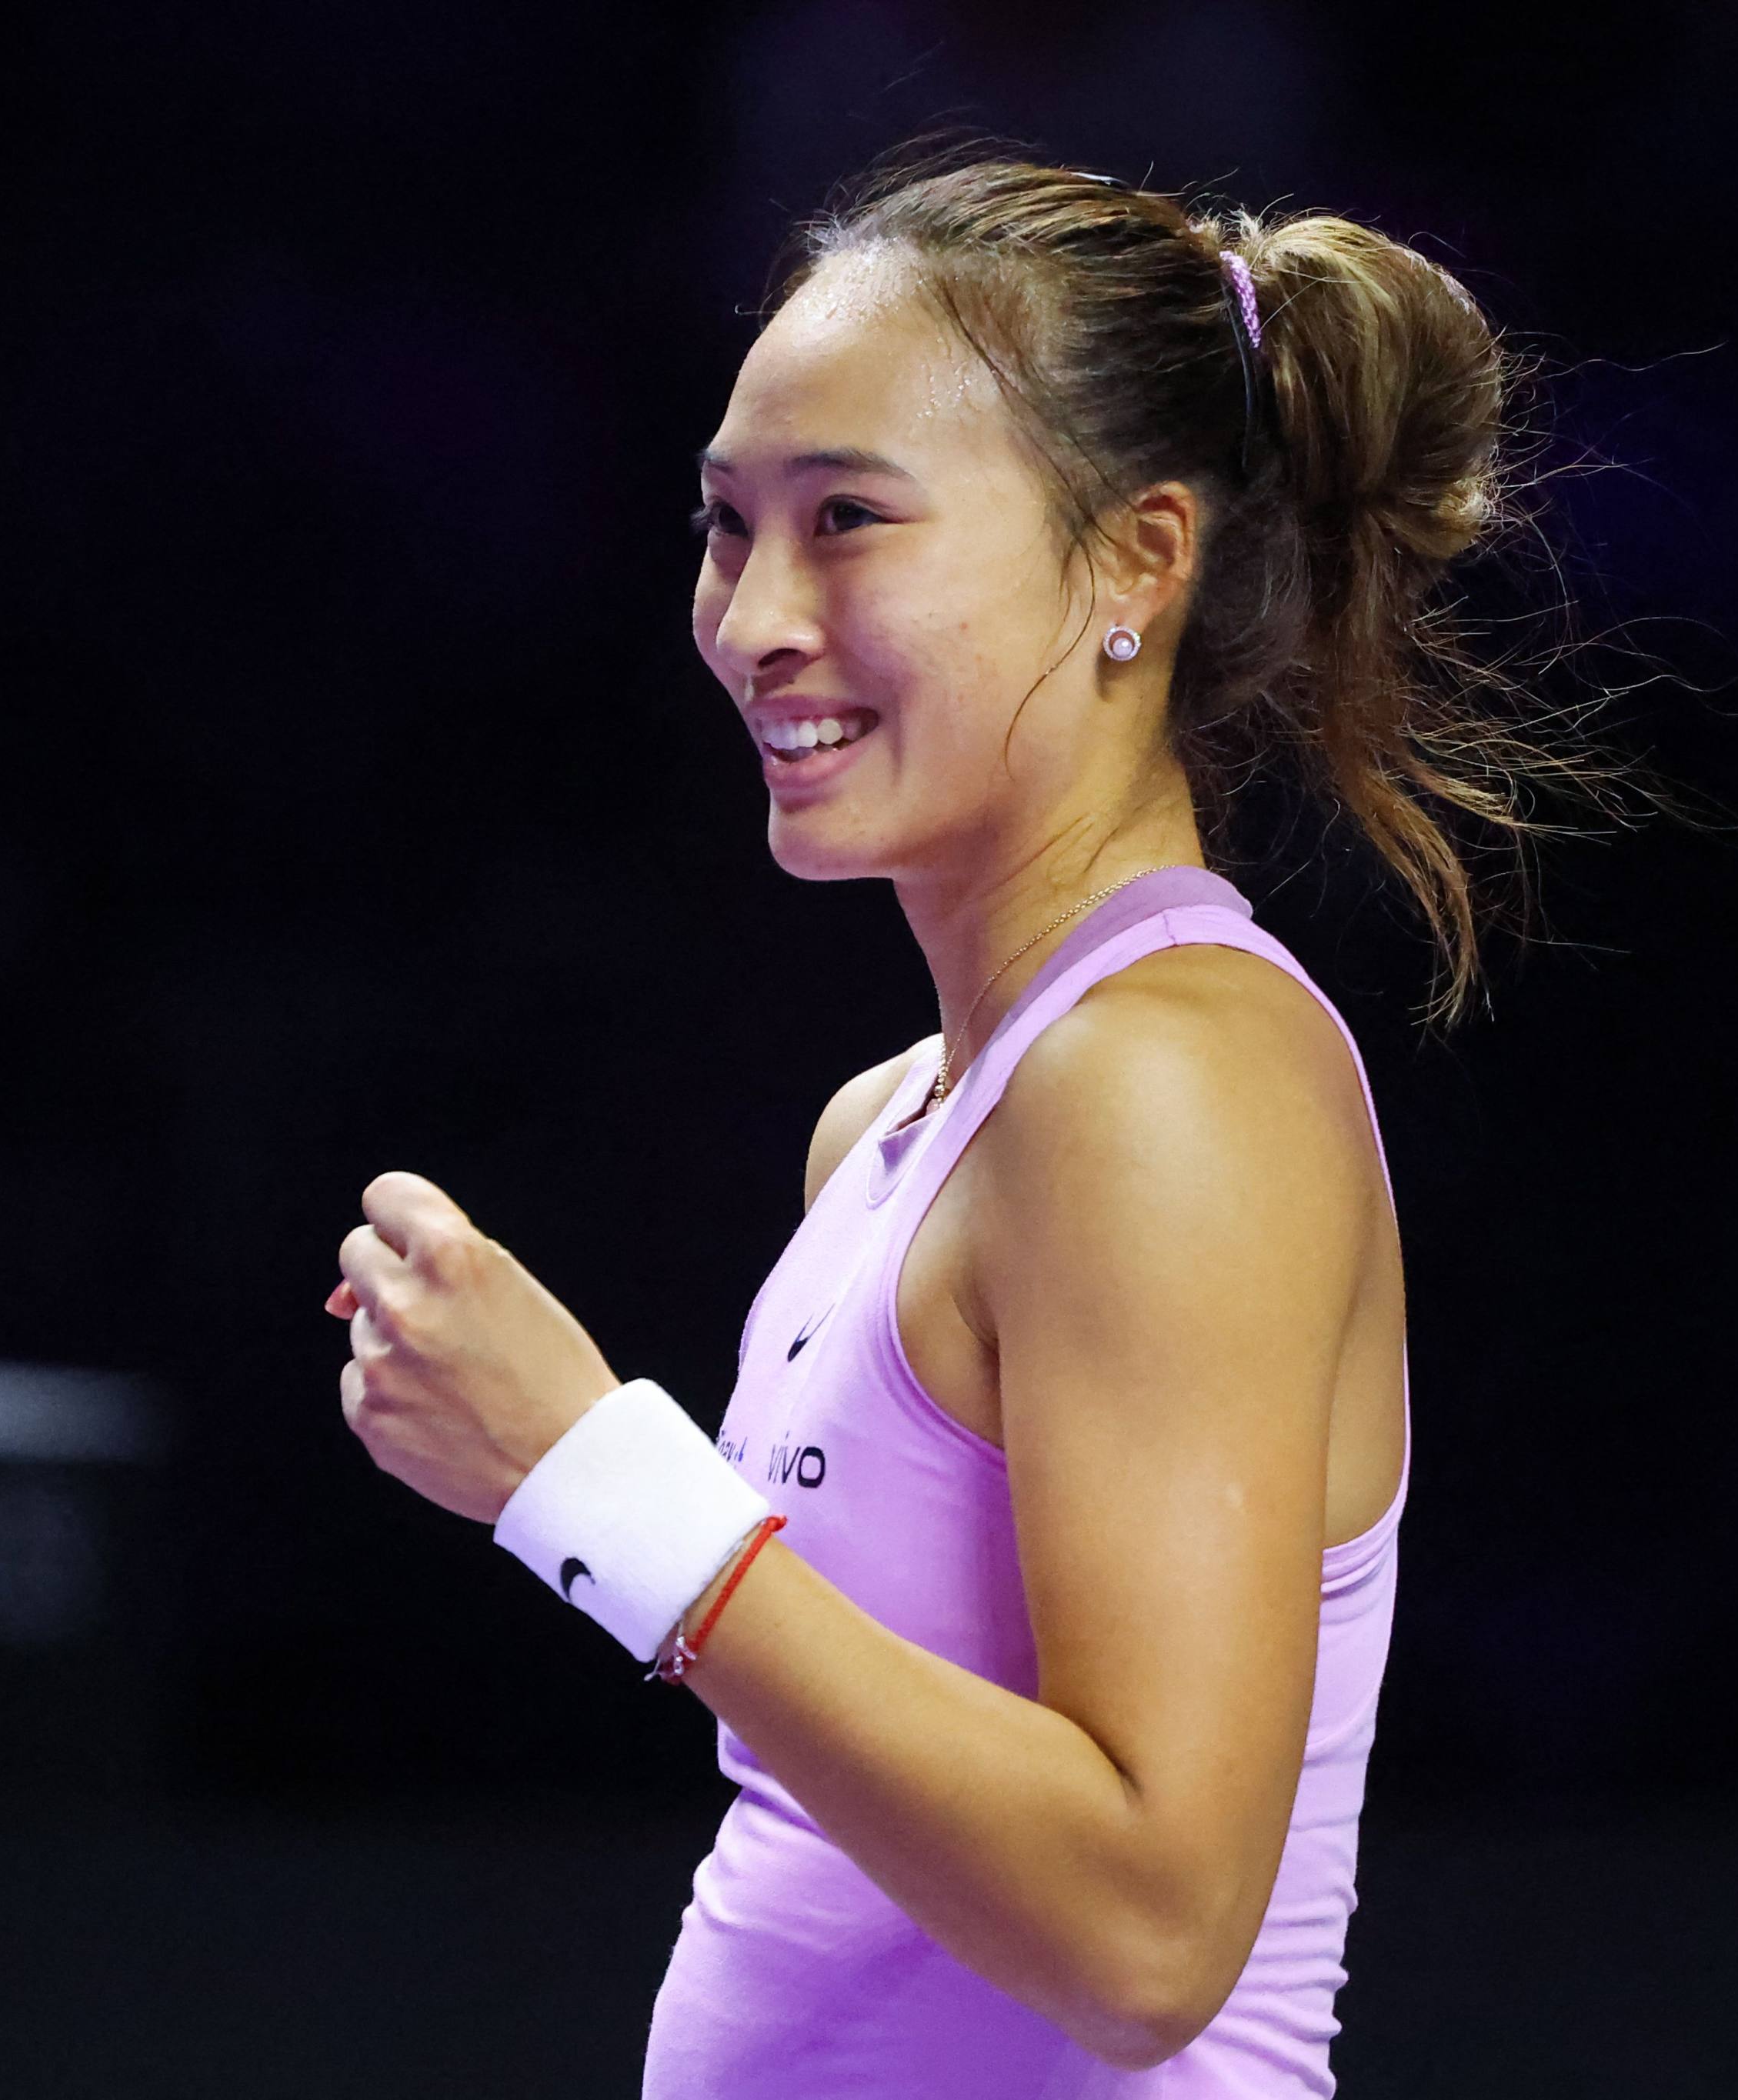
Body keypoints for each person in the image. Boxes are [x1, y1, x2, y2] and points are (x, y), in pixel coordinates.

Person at [328, 155, 1574, 2096]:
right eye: (724, 527)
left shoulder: (1162, 1082)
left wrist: (588, 1482)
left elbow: (1150, 1935)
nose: (752, 617)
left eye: (849, 522)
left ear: (1132, 563)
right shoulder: (895, 1124)